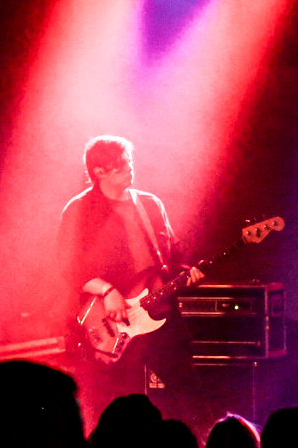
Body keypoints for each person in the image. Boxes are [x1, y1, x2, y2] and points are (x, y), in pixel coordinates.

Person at [57, 135, 202, 409]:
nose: (130, 169)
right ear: (99, 172)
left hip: (158, 311)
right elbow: (68, 266)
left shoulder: (150, 204)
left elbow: (173, 251)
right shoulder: (79, 210)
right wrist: (107, 291)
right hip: (109, 319)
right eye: (121, 165)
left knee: (187, 394)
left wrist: (186, 272)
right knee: (116, 404)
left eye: (129, 162)